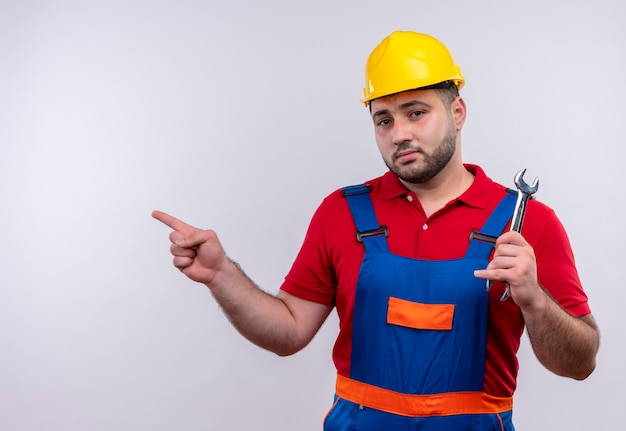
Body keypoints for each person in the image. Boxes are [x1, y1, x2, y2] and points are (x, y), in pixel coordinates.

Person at [152, 31, 599, 430]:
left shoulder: (527, 222)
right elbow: (287, 332)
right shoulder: (341, 213)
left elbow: (580, 363)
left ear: (458, 111)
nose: (398, 133)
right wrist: (221, 275)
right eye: (383, 119)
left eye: (416, 112)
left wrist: (535, 300)